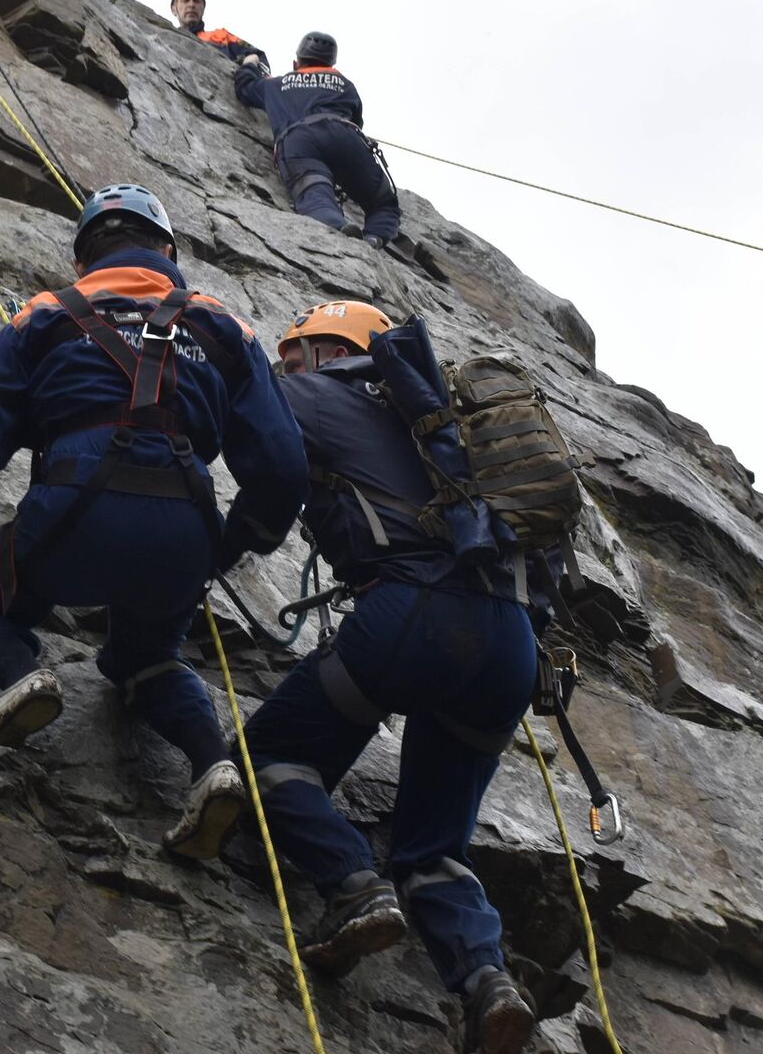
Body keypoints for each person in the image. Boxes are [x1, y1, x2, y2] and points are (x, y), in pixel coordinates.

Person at [0, 184, 307, 861]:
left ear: (82, 263)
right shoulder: (225, 325)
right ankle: (210, 764)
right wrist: (225, 550)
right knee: (147, 657)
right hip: (184, 529)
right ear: (167, 251)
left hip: (71, 514)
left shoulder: (44, 315)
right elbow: (283, 468)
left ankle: (22, 675)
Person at [242, 301, 541, 1053]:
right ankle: (487, 980)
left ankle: (352, 887)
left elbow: (252, 446)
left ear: (325, 352)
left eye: (293, 352)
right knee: (436, 847)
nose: (285, 367)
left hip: (411, 615)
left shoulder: (313, 395)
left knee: (273, 755)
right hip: (510, 644)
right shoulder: (454, 429)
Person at [234, 34, 402, 249]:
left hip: (299, 141)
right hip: (345, 137)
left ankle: (334, 224)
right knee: (383, 204)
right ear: (331, 63)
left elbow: (245, 88)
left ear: (297, 63)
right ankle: (372, 239)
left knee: (314, 192)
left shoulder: (277, 85)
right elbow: (357, 120)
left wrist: (250, 63)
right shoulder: (345, 85)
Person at [169, 0, 267, 71]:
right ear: (174, 9)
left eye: (196, 1)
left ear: (203, 9)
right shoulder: (167, 39)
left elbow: (259, 57)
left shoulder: (222, 36)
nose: (191, 5)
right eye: (185, 0)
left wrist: (250, 66)